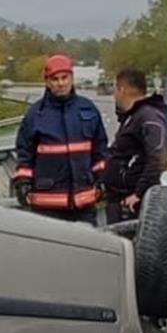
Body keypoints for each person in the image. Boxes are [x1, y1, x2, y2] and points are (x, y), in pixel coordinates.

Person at [11, 54, 108, 224]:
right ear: (47, 82)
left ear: (72, 78)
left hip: (84, 205)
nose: (61, 83)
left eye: (65, 77)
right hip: (47, 209)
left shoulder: (88, 110)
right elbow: (24, 154)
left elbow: (100, 151)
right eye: (55, 79)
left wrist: (102, 179)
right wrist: (23, 183)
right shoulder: (35, 115)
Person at [104, 68, 167, 221]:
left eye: (115, 88)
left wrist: (138, 194)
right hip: (118, 197)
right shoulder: (133, 117)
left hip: (132, 203)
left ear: (122, 89)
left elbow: (158, 158)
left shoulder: (149, 117)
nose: (114, 94)